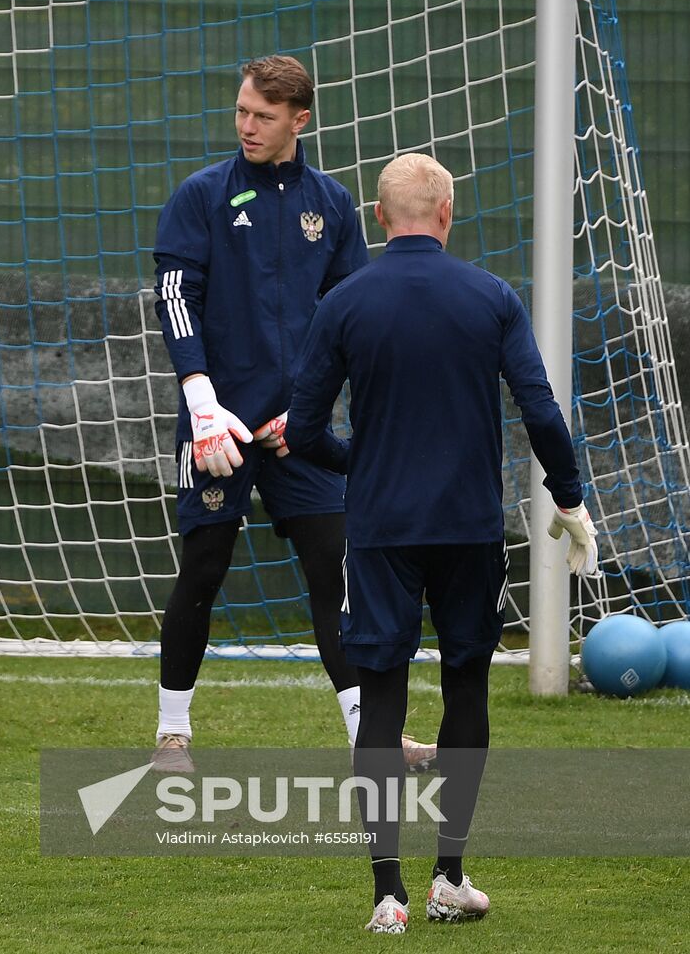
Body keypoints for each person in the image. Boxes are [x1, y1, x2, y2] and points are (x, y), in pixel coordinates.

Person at [286, 153, 600, 933]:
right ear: (448, 214)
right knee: (467, 686)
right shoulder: (491, 297)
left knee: (382, 694)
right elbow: (539, 407)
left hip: (383, 530)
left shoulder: (346, 301)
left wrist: (361, 461)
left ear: (382, 217)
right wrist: (569, 497)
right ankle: (448, 874)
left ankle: (385, 892)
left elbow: (301, 431)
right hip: (468, 528)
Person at [149, 54, 435, 773]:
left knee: (335, 568)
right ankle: (172, 734)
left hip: (297, 430)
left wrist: (308, 410)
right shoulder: (201, 195)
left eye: (264, 116)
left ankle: (372, 738)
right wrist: (202, 401)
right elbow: (175, 296)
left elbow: (351, 317)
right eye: (243, 111)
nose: (247, 126)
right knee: (205, 564)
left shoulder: (333, 205)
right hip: (216, 424)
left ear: (299, 120)